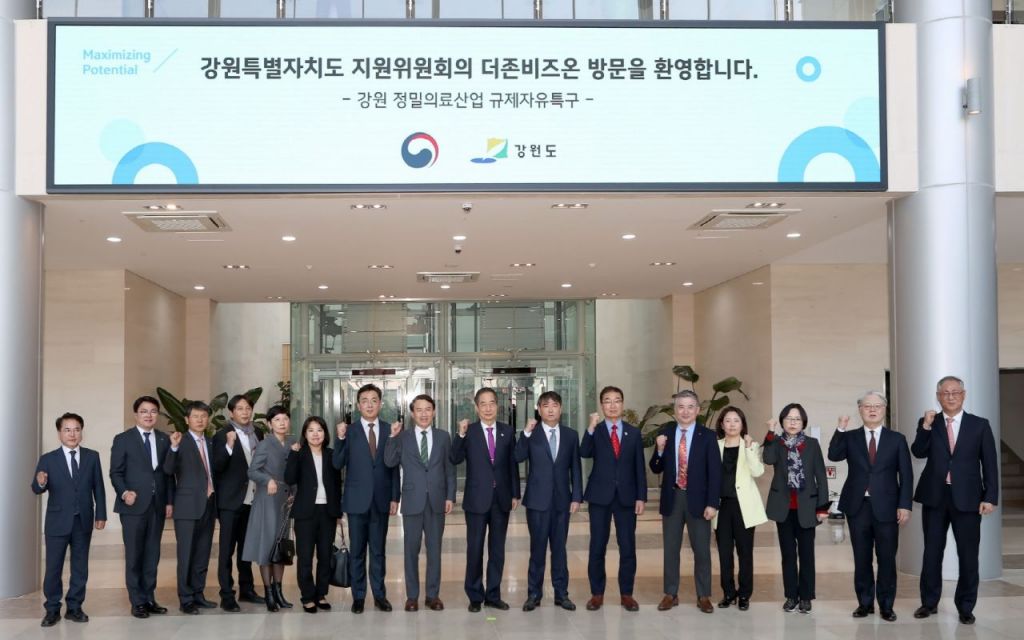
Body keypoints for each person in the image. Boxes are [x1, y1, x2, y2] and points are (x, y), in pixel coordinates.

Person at [911, 376, 998, 625]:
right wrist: (925, 427)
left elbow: (990, 463)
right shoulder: (930, 422)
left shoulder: (979, 425)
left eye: (955, 392)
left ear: (963, 395)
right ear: (938, 396)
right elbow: (918, 451)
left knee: (968, 555)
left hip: (968, 499)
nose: (951, 397)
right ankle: (929, 603)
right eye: (945, 393)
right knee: (932, 553)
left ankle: (966, 607)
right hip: (935, 497)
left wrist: (990, 497)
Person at [828, 391, 913, 622]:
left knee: (886, 559)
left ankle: (886, 605)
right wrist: (840, 428)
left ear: (884, 410)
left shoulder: (897, 439)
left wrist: (905, 504)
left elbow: (906, 475)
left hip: (888, 506)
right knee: (861, 558)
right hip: (858, 506)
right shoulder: (851, 437)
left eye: (877, 406)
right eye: (867, 406)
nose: (872, 410)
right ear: (860, 410)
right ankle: (864, 604)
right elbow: (834, 455)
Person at [649, 390, 722, 614]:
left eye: (690, 407)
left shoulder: (707, 436)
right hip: (672, 499)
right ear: (675, 410)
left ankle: (704, 595)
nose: (685, 411)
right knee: (671, 549)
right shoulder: (666, 433)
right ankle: (670, 593)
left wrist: (712, 503)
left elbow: (715, 473)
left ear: (697, 410)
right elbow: (655, 467)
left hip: (699, 500)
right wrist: (659, 450)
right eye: (681, 407)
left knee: (702, 550)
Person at [31, 412, 107, 627]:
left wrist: (101, 514)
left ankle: (74, 607)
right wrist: (41, 482)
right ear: (59, 433)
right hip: (57, 522)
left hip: (83, 520)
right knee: (53, 568)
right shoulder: (48, 459)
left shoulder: (92, 457)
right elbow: (36, 488)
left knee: (80, 567)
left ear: (81, 432)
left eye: (76, 429)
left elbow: (98, 487)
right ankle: (52, 609)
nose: (72, 434)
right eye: (67, 430)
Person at [383, 394, 456, 612]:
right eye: (419, 410)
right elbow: (389, 461)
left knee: (434, 550)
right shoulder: (402, 437)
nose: (424, 414)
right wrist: (392, 437)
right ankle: (412, 596)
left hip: (436, 500)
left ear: (434, 412)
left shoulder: (443, 437)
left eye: (428, 409)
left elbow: (449, 469)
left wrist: (450, 496)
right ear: (412, 413)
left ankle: (433, 596)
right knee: (410, 550)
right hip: (412, 501)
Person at [450, 387, 521, 612]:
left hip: (501, 499)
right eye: (483, 404)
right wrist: (460, 435)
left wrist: (515, 493)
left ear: (497, 406)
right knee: (475, 549)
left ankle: (493, 595)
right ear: (476, 407)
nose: (488, 408)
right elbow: (454, 457)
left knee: (497, 550)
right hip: (476, 500)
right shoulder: (469, 431)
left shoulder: (507, 431)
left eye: (492, 403)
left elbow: (512, 464)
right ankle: (474, 595)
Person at [333, 383, 400, 614]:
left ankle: (380, 595)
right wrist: (340, 438)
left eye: (374, 400)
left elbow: (393, 466)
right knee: (358, 551)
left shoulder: (390, 429)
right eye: (364, 400)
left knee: (378, 551)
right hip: (356, 501)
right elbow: (337, 463)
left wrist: (395, 497)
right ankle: (358, 596)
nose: (369, 405)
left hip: (381, 500)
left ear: (380, 403)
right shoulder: (349, 431)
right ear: (358, 405)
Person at [579, 385, 647, 612]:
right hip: (600, 497)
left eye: (617, 400)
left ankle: (626, 594)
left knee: (627, 547)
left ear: (622, 404)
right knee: (597, 546)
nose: (612, 405)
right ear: (602, 405)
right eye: (607, 401)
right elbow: (584, 452)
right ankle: (597, 594)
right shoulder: (596, 431)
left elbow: (639, 467)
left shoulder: (633, 433)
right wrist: (590, 427)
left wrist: (641, 497)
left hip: (627, 498)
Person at [515, 391, 582, 612]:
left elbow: (576, 468)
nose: (551, 409)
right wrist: (525, 432)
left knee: (560, 549)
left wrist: (576, 496)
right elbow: (517, 456)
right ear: (539, 409)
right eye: (546, 405)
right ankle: (534, 594)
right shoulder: (531, 434)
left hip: (562, 501)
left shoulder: (571, 435)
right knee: (537, 549)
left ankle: (561, 594)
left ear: (560, 409)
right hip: (537, 501)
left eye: (554, 405)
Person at [109, 396, 174, 619]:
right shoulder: (123, 439)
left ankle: (149, 598)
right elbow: (115, 472)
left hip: (157, 505)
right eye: (144, 411)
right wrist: (124, 492)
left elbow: (168, 474)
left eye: (153, 411)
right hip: (133, 506)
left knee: (152, 555)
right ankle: (136, 601)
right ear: (135, 414)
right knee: (134, 555)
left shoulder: (164, 439)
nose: (149, 415)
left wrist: (169, 501)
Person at [763, 403, 830, 614]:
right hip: (783, 507)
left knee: (807, 555)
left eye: (797, 419)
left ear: (803, 423)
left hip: (807, 507)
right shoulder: (776, 442)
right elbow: (768, 459)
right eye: (789, 418)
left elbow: (821, 477)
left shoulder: (812, 444)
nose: (793, 422)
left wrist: (823, 507)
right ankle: (791, 596)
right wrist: (770, 432)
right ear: (782, 421)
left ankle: (806, 597)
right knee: (788, 555)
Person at [210, 394, 265, 611]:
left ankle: (247, 589)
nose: (245, 412)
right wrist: (229, 446)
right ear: (231, 412)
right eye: (240, 408)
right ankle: (227, 594)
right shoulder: (222, 434)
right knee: (226, 550)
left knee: (246, 548)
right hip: (231, 501)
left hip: (252, 499)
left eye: (248, 408)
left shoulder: (257, 433)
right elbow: (217, 466)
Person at [164, 401, 218, 615]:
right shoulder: (180, 441)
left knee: (203, 553)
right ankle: (185, 598)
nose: (200, 420)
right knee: (186, 554)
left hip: (209, 504)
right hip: (187, 506)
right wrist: (173, 447)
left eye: (204, 416)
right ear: (187, 420)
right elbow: (168, 469)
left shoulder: (211, 442)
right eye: (195, 416)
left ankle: (198, 594)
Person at [242, 405, 296, 612]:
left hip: (285, 501)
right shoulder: (265, 444)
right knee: (267, 545)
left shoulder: (292, 443)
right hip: (267, 499)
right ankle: (268, 594)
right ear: (269, 424)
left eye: (285, 419)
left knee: (280, 546)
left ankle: (279, 591)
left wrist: (294, 492)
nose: (282, 423)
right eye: (277, 420)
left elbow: (296, 471)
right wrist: (267, 480)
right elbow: (252, 471)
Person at [285, 416, 342, 613]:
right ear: (305, 434)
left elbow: (337, 485)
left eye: (319, 430)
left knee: (325, 556)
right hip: (305, 513)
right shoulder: (299, 454)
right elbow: (289, 478)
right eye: (311, 430)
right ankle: (308, 596)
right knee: (305, 557)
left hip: (327, 512)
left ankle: (321, 594)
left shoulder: (331, 454)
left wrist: (338, 511)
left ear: (325, 433)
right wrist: (293, 454)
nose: (315, 434)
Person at [712, 406, 767, 611]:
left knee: (745, 553)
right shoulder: (714, 446)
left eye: (736, 420)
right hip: (721, 507)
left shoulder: (751, 445)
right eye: (728, 420)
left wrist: (749, 448)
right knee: (724, 553)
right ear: (722, 424)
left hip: (744, 507)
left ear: (742, 424)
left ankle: (744, 594)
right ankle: (728, 593)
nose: (732, 424)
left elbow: (758, 471)